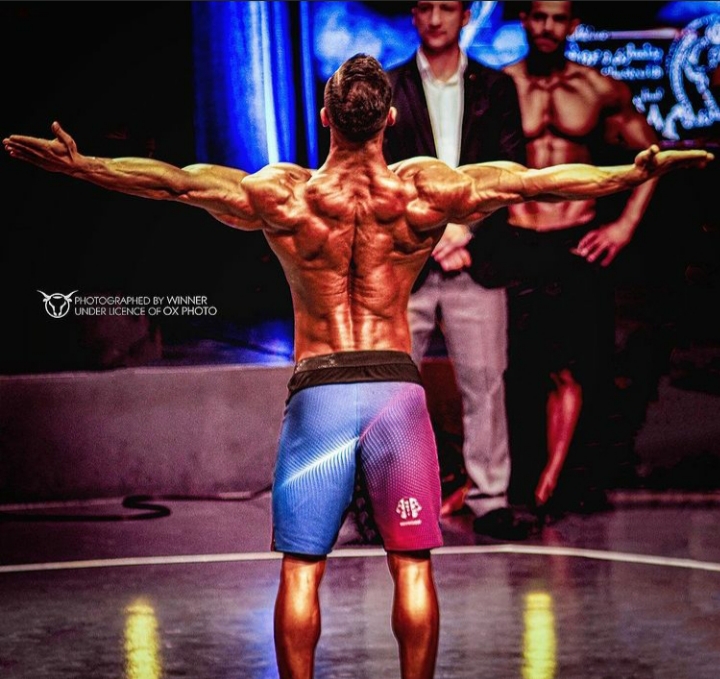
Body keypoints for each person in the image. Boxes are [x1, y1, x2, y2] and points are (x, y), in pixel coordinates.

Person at [4, 54, 711, 679]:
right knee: (411, 566)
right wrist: (629, 171)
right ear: (391, 117)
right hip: (394, 397)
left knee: (301, 570)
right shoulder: (423, 190)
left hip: (319, 394)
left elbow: (174, 184)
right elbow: (535, 184)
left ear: (324, 116)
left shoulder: (284, 195)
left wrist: (82, 165)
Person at [501, 1, 668, 517]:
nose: (547, 27)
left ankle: (554, 485)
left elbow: (653, 158)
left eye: (557, 18)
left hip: (574, 241)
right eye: (538, 16)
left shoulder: (598, 89)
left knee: (572, 370)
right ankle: (521, 484)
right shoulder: (502, 86)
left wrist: (624, 226)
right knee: (518, 370)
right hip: (518, 240)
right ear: (524, 19)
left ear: (572, 25)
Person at [383, 1, 533, 539]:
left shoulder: (495, 87)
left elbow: (509, 171)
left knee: (485, 382)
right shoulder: (389, 86)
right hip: (409, 261)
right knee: (393, 388)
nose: (436, 18)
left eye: (447, 7)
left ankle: (490, 498)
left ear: (466, 15)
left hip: (478, 256)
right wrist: (434, 236)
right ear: (413, 14)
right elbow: (380, 174)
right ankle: (391, 499)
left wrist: (464, 232)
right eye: (425, 7)